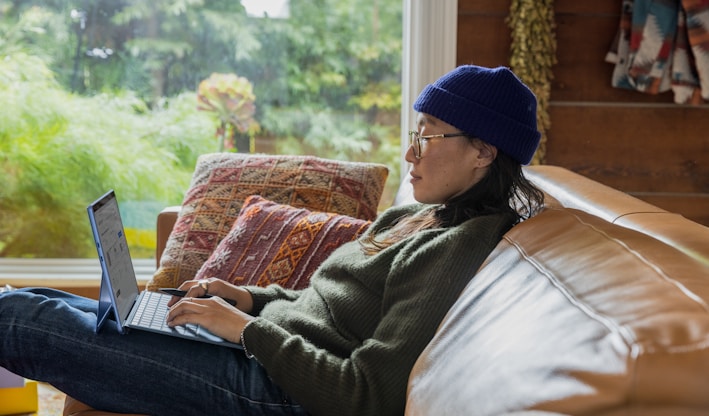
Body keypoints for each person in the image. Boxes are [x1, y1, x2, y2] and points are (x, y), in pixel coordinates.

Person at [0, 65, 544, 416]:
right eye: (414, 134)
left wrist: (248, 330)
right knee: (40, 301)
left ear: (485, 151)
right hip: (260, 352)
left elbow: (367, 395)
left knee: (19, 321)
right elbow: (326, 313)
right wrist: (248, 298)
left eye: (428, 136)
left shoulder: (461, 247)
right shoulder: (421, 217)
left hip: (275, 390)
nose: (411, 153)